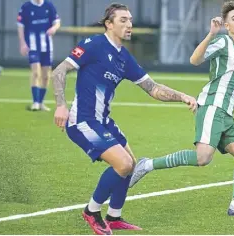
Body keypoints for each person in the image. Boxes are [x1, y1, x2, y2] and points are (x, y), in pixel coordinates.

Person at [51, 3, 197, 235]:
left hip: (103, 121)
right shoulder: (94, 44)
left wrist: (182, 96)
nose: (129, 24)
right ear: (109, 24)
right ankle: (91, 211)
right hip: (83, 120)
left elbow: (153, 88)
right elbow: (59, 71)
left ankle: (114, 216)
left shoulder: (125, 58)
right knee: (124, 164)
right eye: (123, 20)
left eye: (130, 20)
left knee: (130, 163)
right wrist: (61, 105)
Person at [129, 1, 234, 216]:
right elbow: (194, 59)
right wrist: (211, 34)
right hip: (212, 108)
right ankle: (147, 165)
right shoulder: (223, 42)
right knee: (202, 158)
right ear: (227, 26)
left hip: (226, 114)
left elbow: (232, 91)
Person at [17, 0, 60, 111]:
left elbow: (57, 21)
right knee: (36, 73)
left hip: (47, 47)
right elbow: (20, 26)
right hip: (32, 46)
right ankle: (35, 102)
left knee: (46, 76)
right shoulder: (26, 7)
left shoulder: (49, 5)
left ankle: (41, 102)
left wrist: (54, 28)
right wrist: (22, 43)